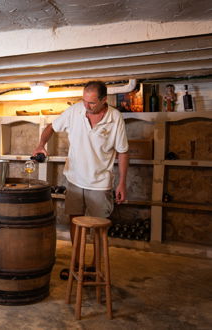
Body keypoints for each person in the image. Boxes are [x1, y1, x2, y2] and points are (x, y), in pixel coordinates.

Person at [33, 81, 129, 278]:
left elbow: (123, 152)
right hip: (75, 179)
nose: (87, 106)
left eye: (92, 103)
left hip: (100, 182)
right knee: (75, 223)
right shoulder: (75, 110)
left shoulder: (115, 118)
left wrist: (121, 183)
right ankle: (76, 264)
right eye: (84, 101)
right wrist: (41, 144)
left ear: (104, 100)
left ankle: (95, 266)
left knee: (99, 228)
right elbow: (52, 126)